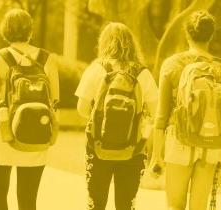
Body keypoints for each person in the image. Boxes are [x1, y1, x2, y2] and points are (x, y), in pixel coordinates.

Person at [0, 8, 60, 210]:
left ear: (5, 30)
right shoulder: (47, 59)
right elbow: (54, 102)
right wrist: (50, 135)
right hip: (36, 137)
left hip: (3, 137)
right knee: (28, 200)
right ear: (30, 30)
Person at [149, 10, 221, 210]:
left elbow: (161, 116)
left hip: (179, 140)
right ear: (211, 35)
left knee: (176, 206)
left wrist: (156, 155)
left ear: (187, 34)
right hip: (212, 143)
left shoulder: (172, 65)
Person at [75, 22, 158, 210]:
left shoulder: (96, 69)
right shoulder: (142, 73)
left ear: (104, 43)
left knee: (96, 202)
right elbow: (155, 112)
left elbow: (81, 108)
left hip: (98, 147)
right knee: (126, 204)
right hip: (133, 149)